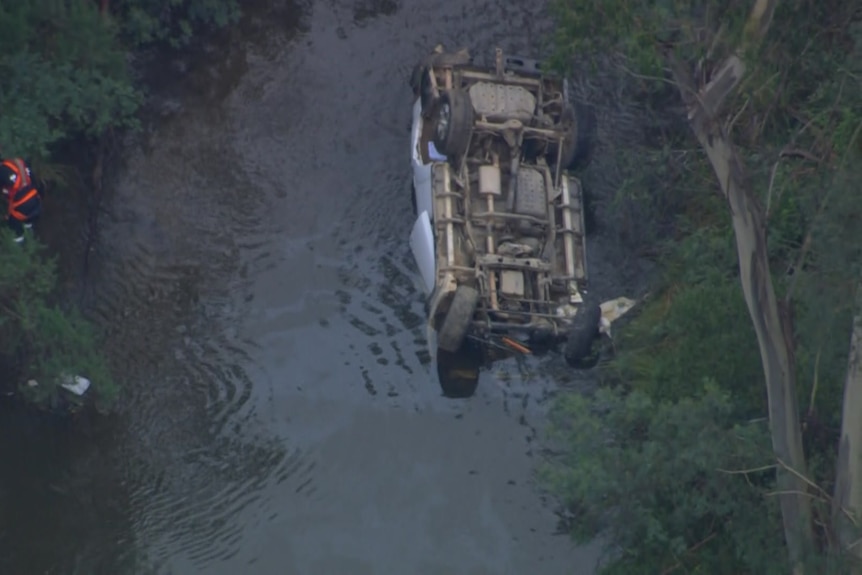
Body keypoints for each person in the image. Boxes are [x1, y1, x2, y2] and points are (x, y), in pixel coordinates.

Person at [0, 157, 43, 243]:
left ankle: (19, 242)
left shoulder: (1, 172)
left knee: (13, 222)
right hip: (36, 201)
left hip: (22, 206)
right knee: (29, 219)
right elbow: (34, 181)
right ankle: (30, 231)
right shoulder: (19, 163)